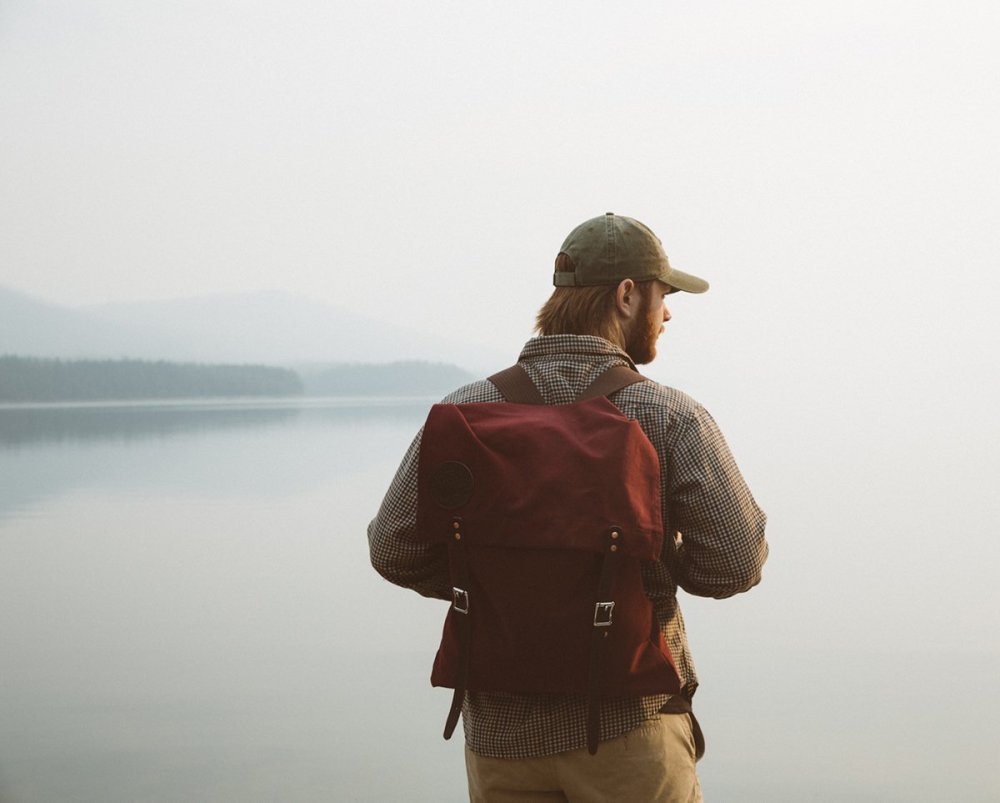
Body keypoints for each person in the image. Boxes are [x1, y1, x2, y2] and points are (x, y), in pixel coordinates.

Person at [368, 212, 768, 802]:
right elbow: (735, 565)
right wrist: (653, 560)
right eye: (663, 296)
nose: (668, 313)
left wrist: (497, 582)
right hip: (628, 734)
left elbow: (393, 551)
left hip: (500, 743)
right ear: (627, 295)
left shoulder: (466, 410)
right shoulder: (670, 417)